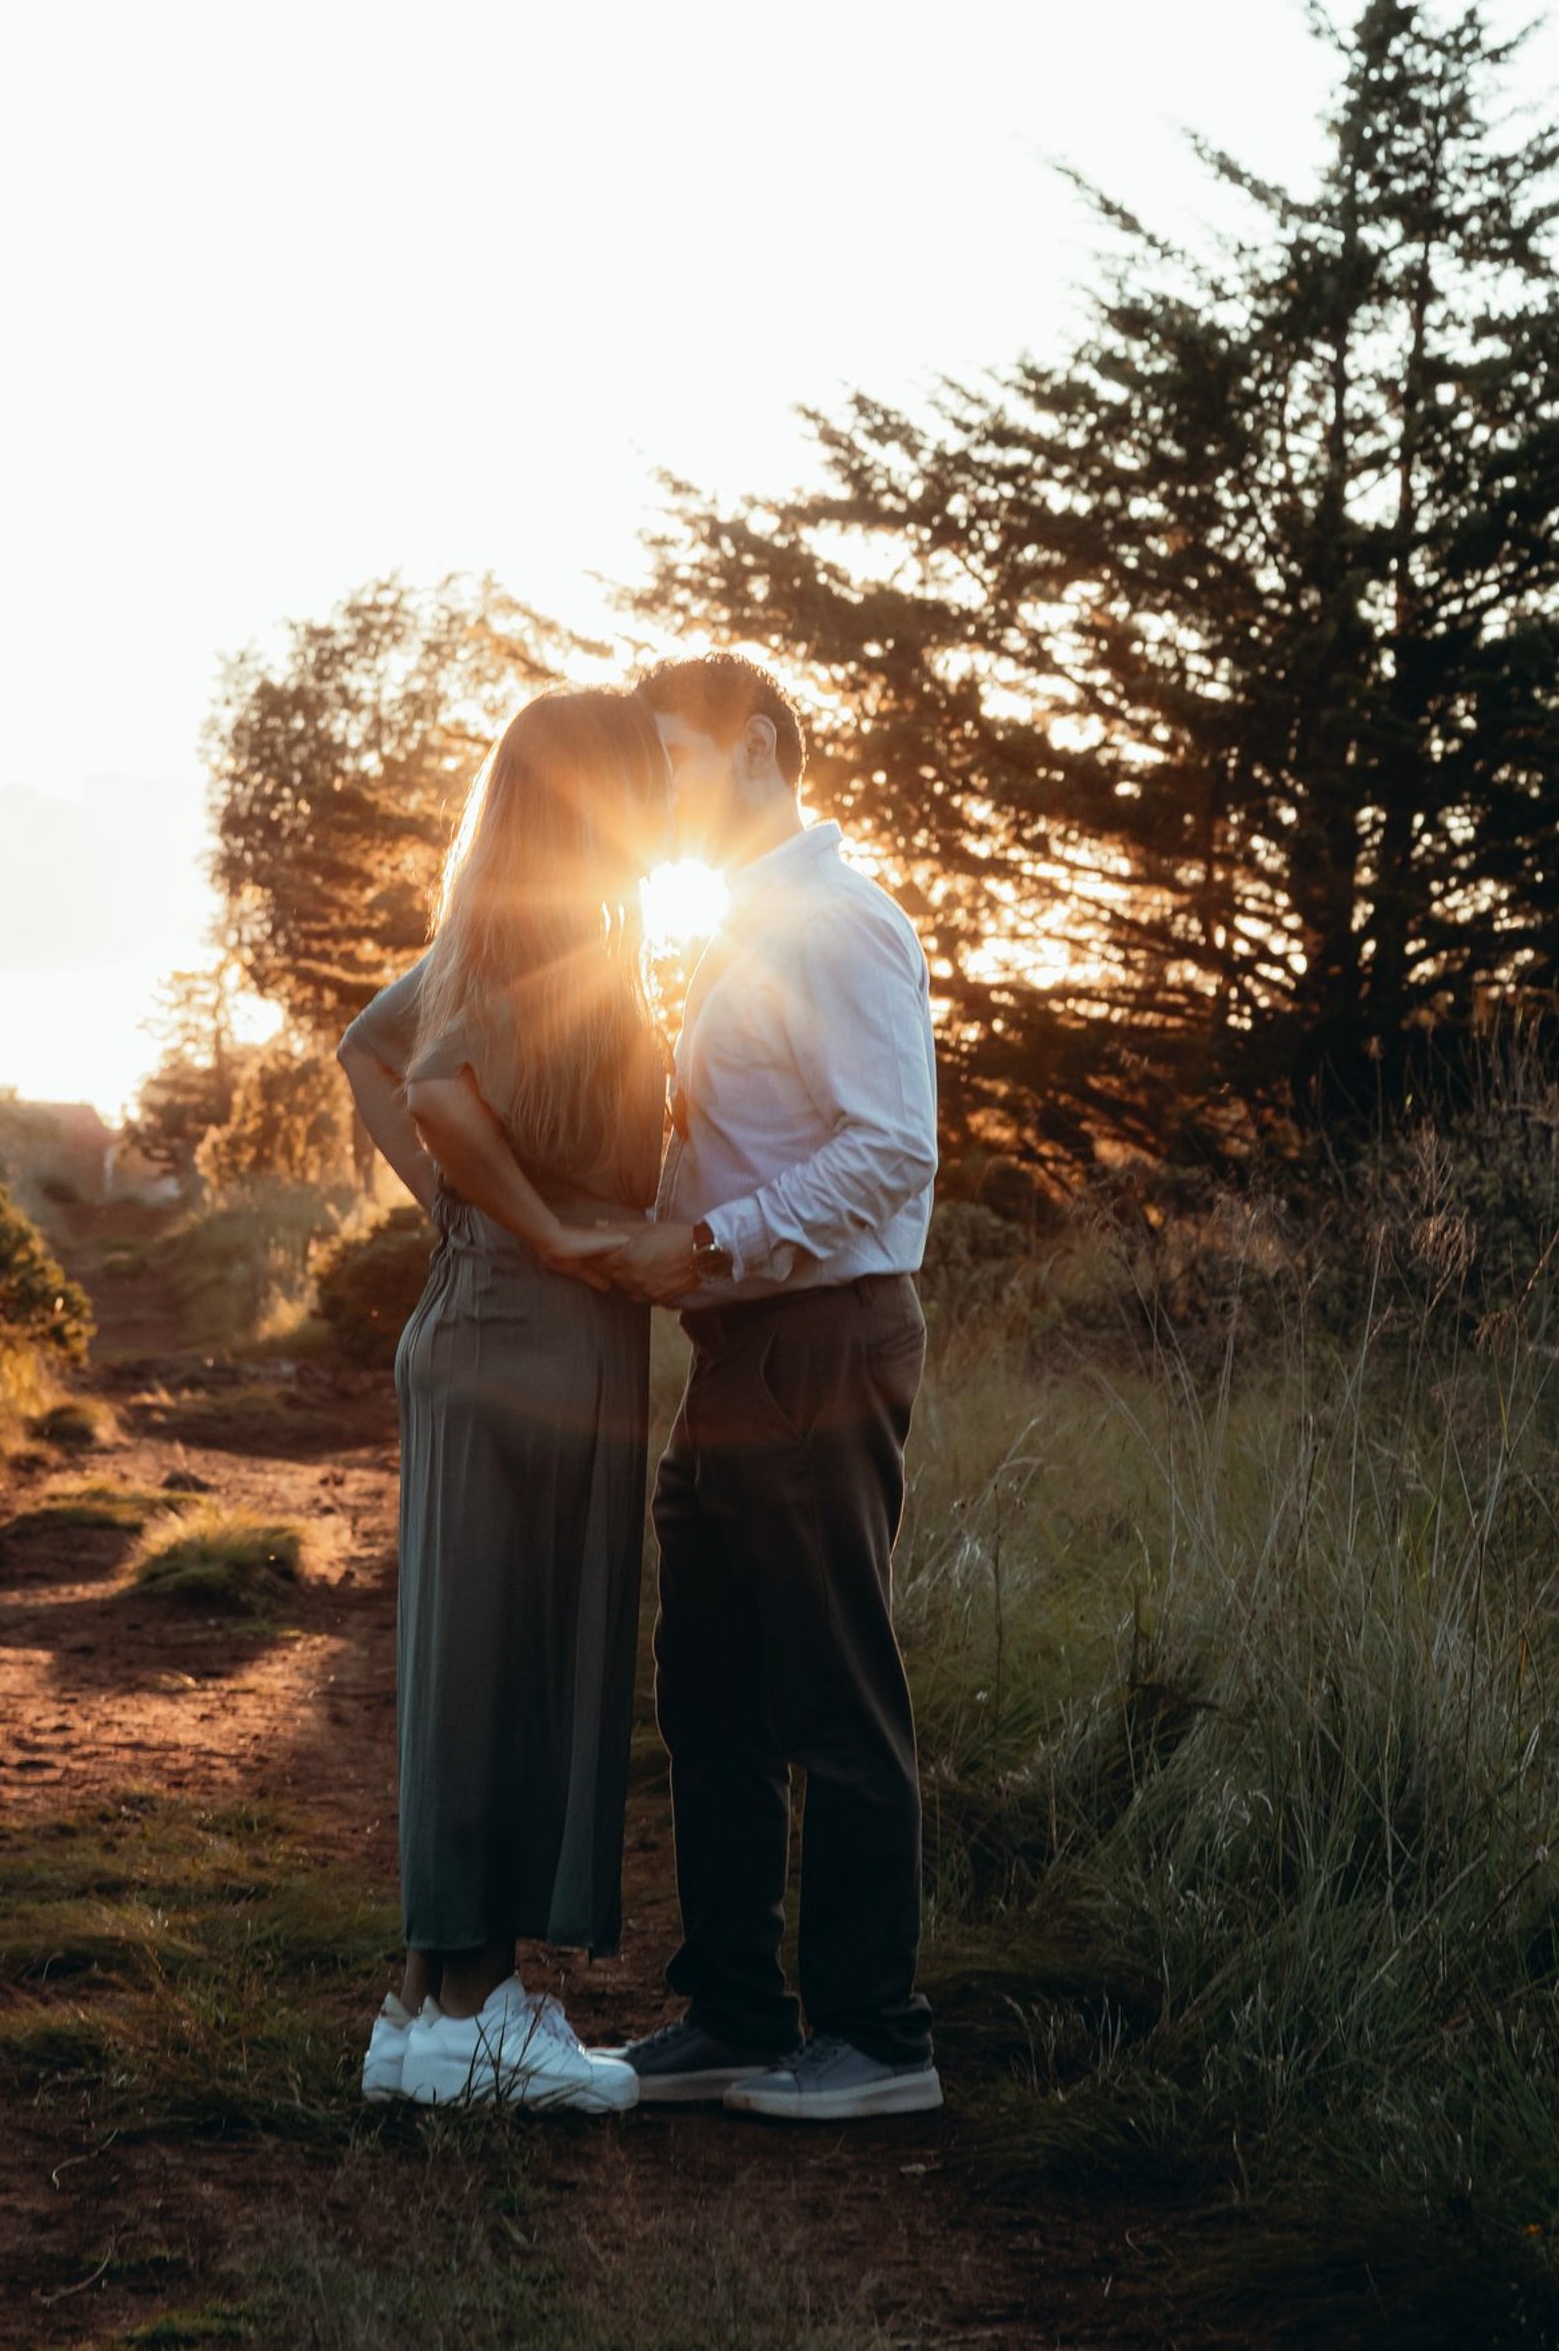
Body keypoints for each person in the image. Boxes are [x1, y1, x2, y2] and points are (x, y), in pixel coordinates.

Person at [610, 652, 944, 2120]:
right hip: (737, 1353)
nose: (658, 797)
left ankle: (879, 2038)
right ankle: (738, 2011)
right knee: (713, 1694)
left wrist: (713, 1239)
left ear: (757, 751)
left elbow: (893, 1148)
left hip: (820, 1337)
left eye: (673, 762)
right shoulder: (741, 932)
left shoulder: (842, 922)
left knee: (834, 1694)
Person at [337, 686, 668, 2116]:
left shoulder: (489, 930)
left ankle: (424, 2003)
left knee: (473, 1656)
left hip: (487, 1317)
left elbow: (369, 1051)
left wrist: (470, 1220)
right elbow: (436, 1094)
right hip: (537, 1330)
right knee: (514, 1667)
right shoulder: (565, 945)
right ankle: (481, 2011)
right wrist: (538, 1228)